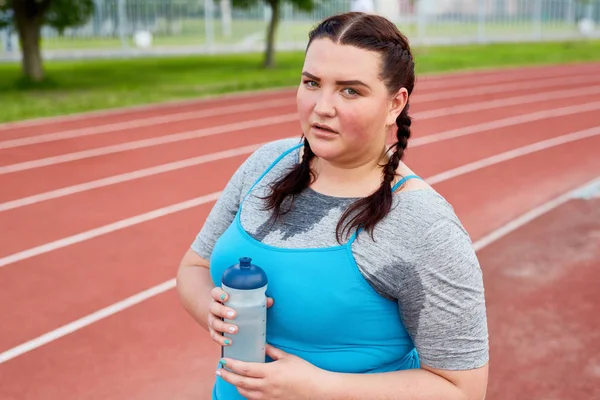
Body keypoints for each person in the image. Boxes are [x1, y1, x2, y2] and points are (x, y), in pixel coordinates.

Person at [177, 11, 489, 400]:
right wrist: (212, 309)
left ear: (395, 104)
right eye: (311, 83)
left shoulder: (425, 226)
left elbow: (464, 389)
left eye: (350, 90)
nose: (322, 106)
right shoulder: (266, 165)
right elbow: (193, 267)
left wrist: (321, 388)